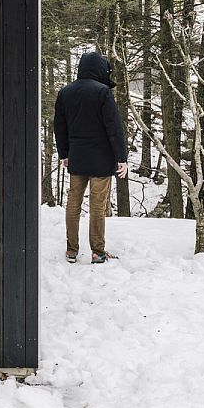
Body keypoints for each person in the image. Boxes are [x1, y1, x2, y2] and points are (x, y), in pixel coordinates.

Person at [53, 50, 129, 264]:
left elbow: (60, 127)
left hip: (77, 157)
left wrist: (64, 154)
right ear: (99, 69)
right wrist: (121, 157)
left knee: (73, 203)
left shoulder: (65, 92)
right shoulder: (102, 92)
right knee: (97, 205)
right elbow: (114, 128)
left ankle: (71, 250)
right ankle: (97, 251)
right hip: (101, 158)